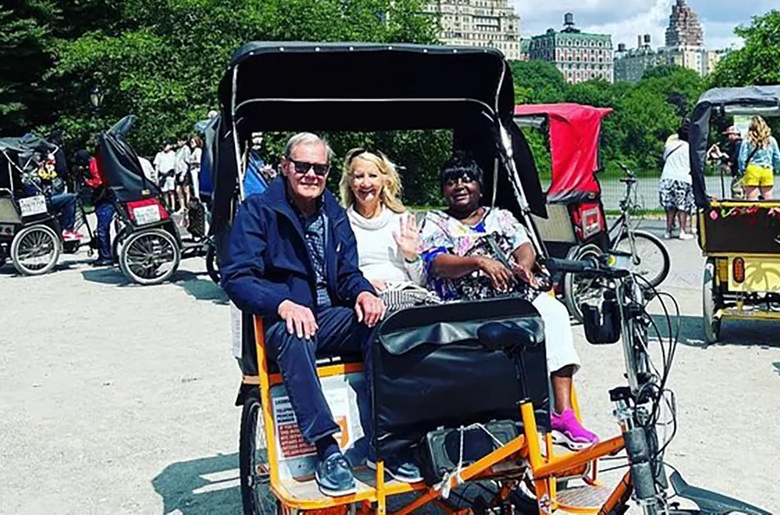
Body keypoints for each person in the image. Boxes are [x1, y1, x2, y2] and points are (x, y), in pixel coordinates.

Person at [220, 133, 414, 497]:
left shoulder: (334, 213)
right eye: (302, 166)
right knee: (296, 333)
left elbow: (347, 273)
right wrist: (281, 303)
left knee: (386, 325)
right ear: (285, 167)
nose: (311, 174)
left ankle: (385, 439)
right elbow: (236, 277)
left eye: (319, 168)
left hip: (331, 316)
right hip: (284, 318)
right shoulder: (259, 210)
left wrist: (364, 293)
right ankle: (326, 448)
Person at [418, 151, 599, 450]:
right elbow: (436, 262)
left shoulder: (500, 216)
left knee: (553, 312)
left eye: (467, 179)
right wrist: (478, 262)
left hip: (511, 295)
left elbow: (524, 245)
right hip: (464, 303)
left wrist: (523, 266)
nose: (460, 186)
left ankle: (563, 414)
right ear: (443, 190)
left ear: (479, 186)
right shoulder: (436, 222)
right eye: (451, 182)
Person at [339, 149, 424, 290]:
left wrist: (412, 257)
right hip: (362, 296)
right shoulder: (340, 224)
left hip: (405, 296)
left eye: (373, 176)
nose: (366, 184)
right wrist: (362, 284)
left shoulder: (402, 221)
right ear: (349, 181)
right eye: (359, 176)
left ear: (384, 180)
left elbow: (421, 281)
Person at [80, 149, 116, 266]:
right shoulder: (98, 161)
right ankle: (105, 254)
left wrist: (87, 182)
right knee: (102, 228)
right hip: (105, 198)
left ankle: (106, 256)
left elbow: (98, 181)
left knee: (102, 229)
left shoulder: (93, 164)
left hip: (105, 198)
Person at [658, 126, 696, 240]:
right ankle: (682, 231)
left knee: (670, 207)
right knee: (682, 206)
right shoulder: (690, 148)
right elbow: (694, 164)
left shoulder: (670, 146)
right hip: (683, 177)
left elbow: (665, 158)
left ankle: (668, 231)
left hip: (667, 177)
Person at [738, 116, 780, 200]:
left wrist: (742, 169)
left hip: (752, 169)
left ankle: (754, 213)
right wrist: (775, 168)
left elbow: (741, 158)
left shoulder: (747, 140)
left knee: (752, 200)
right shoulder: (771, 140)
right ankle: (769, 212)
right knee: (768, 199)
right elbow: (778, 158)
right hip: (767, 169)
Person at [708, 125, 743, 199]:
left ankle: (738, 208)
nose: (728, 138)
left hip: (739, 174)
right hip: (741, 174)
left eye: (729, 135)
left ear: (734, 134)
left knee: (737, 192)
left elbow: (733, 159)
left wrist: (721, 155)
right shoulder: (741, 144)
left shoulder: (738, 144)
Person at [153, 142, 177, 211]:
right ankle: (167, 206)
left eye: (166, 145)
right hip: (162, 175)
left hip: (170, 175)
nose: (165, 147)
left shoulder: (173, 154)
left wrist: (175, 175)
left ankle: (173, 207)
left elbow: (175, 165)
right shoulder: (159, 154)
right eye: (164, 146)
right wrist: (156, 177)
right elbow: (156, 166)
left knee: (171, 191)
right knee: (164, 192)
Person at [174, 137, 192, 212]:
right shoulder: (178, 150)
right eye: (178, 140)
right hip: (177, 172)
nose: (178, 142)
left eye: (180, 140)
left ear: (184, 141)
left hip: (183, 172)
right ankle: (182, 206)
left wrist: (183, 174)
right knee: (178, 190)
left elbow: (187, 162)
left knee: (186, 190)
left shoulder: (186, 149)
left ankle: (188, 206)